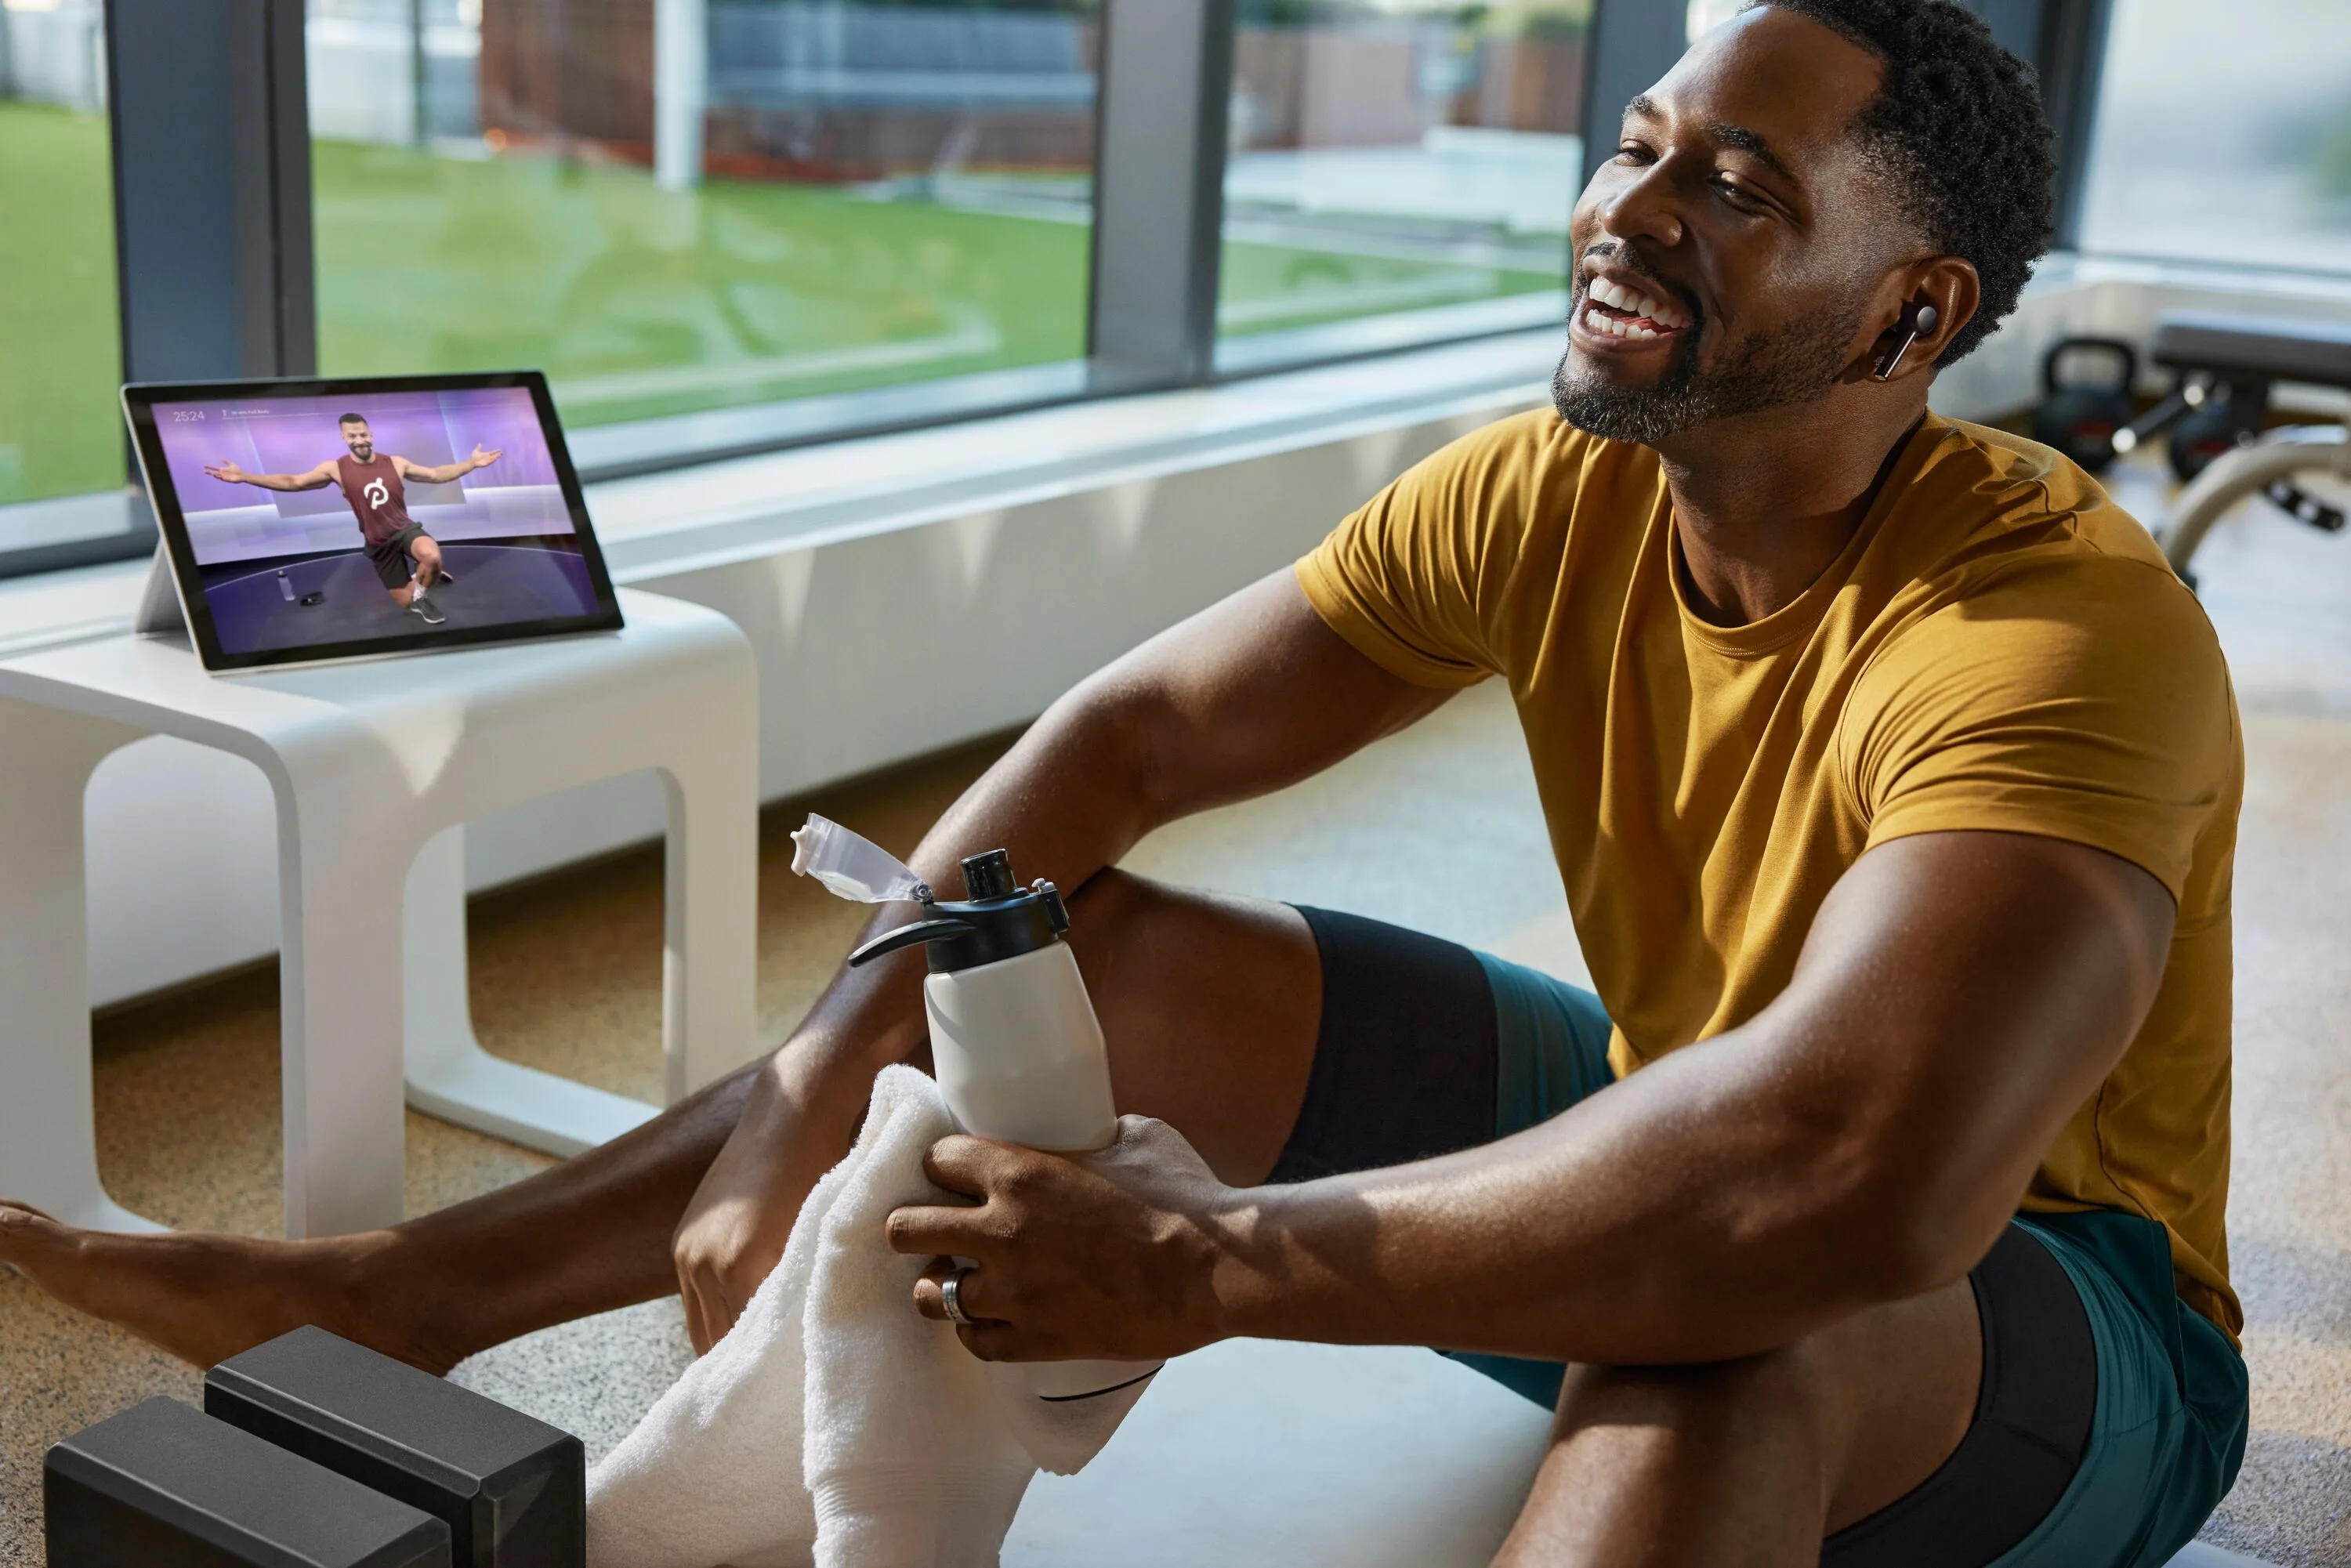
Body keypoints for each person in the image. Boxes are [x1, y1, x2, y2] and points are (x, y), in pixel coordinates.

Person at [2, 3, 2246, 1563]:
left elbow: (1853, 1177)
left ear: (1913, 308)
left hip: (2051, 1326)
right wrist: (817, 1070)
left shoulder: (2055, 634)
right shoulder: (1550, 494)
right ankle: (413, 1295)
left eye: (1739, 185)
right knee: (1078, 958)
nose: (1634, 207)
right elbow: (1131, 744)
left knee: (1738, 1329)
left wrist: (1209, 1260)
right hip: (1677, 1111)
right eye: (1642, 140)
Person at [202, 413, 502, 625]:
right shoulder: (335, 469)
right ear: (344, 438)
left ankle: (424, 586)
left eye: (363, 434)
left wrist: (471, 464)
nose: (359, 439)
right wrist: (246, 477)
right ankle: (418, 583)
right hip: (378, 542)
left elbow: (437, 475)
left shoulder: (396, 462)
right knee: (404, 603)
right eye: (352, 436)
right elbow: (293, 481)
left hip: (405, 529)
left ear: (370, 435)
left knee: (431, 556)